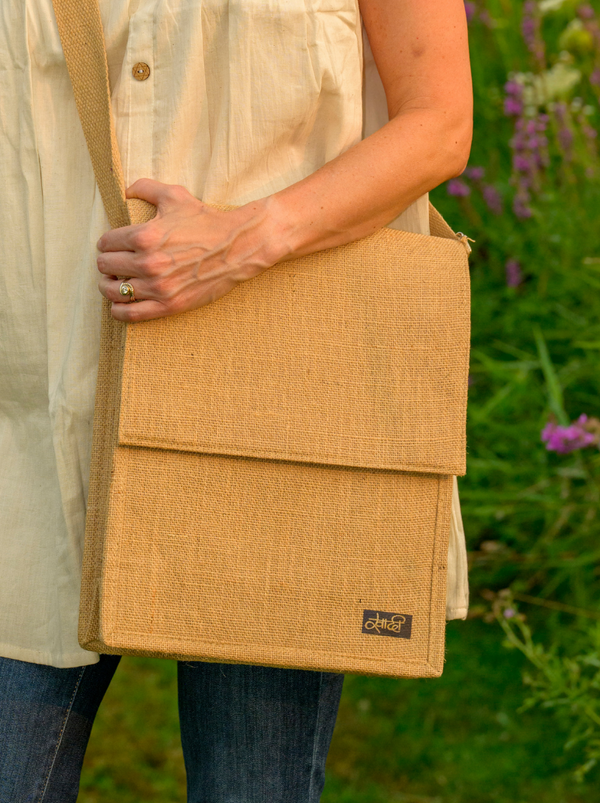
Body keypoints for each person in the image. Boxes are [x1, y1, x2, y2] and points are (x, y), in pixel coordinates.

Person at [0, 1, 473, 801]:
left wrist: (243, 239)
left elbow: (439, 120)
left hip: (277, 419)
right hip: (29, 418)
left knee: (253, 785)